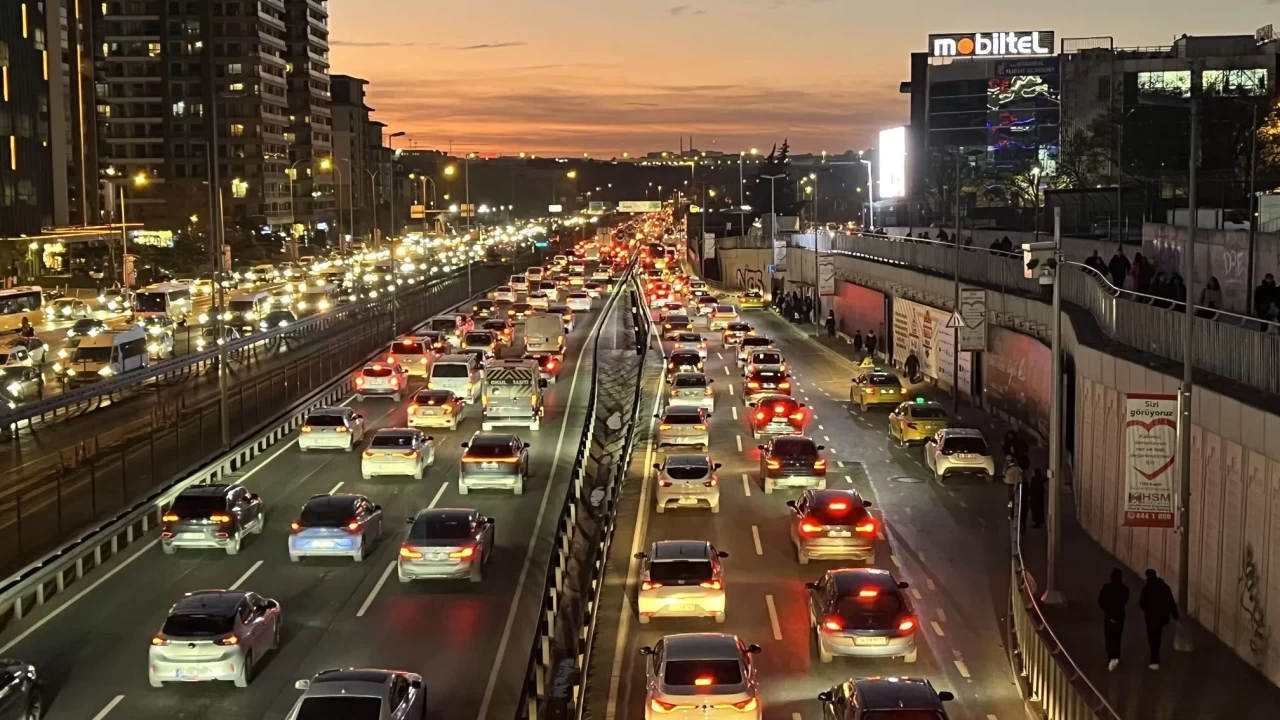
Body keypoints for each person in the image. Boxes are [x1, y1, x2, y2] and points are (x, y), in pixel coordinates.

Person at [1138, 568, 1178, 669]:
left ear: (1147, 576)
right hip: (1161, 617)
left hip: (1151, 617)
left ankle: (1154, 660)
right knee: (1157, 636)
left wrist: (1147, 609)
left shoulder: (1146, 588)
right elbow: (1171, 602)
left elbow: (1141, 603)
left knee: (1152, 638)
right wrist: (1175, 615)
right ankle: (1155, 657)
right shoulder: (1165, 587)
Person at [1098, 568, 1130, 671]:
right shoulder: (1125, 589)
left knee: (1109, 636)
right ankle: (1116, 655)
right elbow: (1125, 600)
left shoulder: (1106, 588)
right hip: (1119, 615)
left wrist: (1107, 610)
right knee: (1117, 636)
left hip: (1109, 615)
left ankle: (1110, 656)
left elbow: (1101, 601)